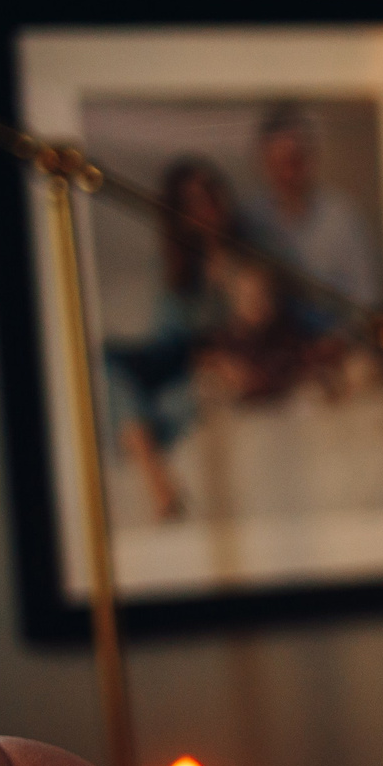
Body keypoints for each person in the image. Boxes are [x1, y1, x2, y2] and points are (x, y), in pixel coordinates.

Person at [104, 156, 236, 521]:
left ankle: (148, 462)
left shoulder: (245, 253)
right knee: (109, 364)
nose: (204, 207)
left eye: (208, 194)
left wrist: (222, 273)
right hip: (170, 355)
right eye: (190, 201)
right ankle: (161, 485)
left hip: (203, 364)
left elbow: (246, 325)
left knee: (164, 405)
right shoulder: (177, 261)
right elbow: (173, 328)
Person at [242, 104, 383, 334]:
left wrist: (338, 340)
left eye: (295, 161)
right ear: (263, 161)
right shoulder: (250, 218)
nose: (287, 174)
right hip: (271, 346)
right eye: (277, 163)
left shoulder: (344, 217)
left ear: (312, 158)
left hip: (336, 343)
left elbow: (366, 301)